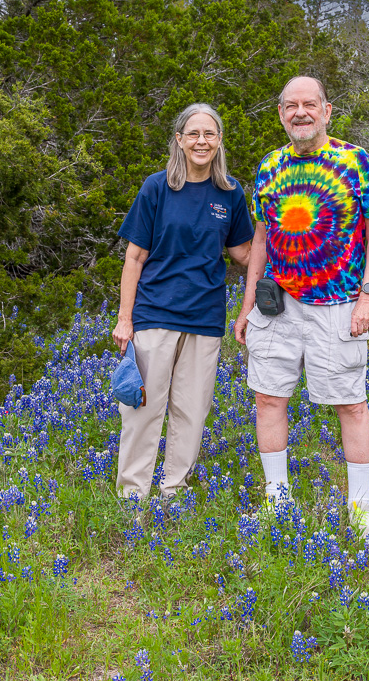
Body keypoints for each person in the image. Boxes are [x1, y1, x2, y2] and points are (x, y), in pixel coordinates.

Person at [234, 75, 369, 538]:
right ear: (281, 113)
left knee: (350, 404)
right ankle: (277, 502)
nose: (300, 113)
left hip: (339, 303)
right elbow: (260, 241)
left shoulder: (354, 161)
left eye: (309, 104)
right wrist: (245, 307)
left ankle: (362, 512)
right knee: (268, 398)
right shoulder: (269, 167)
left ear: (326, 111)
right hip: (276, 304)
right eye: (290, 106)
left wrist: (368, 296)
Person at [112, 103, 254, 500]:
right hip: (154, 312)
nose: (201, 141)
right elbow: (135, 257)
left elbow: (243, 253)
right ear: (179, 139)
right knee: (142, 409)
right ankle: (132, 496)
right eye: (193, 134)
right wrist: (125, 319)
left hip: (205, 317)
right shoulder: (157, 187)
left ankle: (173, 493)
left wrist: (290, 250)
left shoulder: (230, 193)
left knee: (191, 413)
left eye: (209, 134)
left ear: (220, 140)